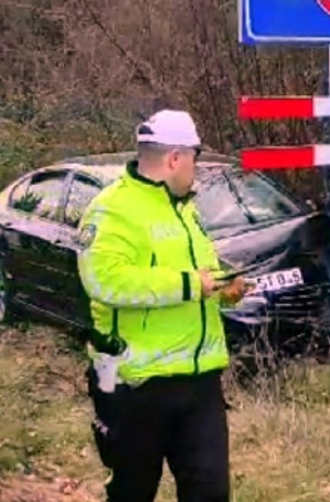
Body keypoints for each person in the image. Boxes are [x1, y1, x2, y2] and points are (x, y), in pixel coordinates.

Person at [76, 110, 249, 502]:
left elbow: (198, 272)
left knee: (210, 493)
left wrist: (223, 286)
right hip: (136, 386)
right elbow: (105, 280)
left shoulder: (185, 208)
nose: (197, 169)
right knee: (132, 491)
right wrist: (191, 284)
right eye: (195, 158)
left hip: (200, 381)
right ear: (175, 159)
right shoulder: (112, 210)